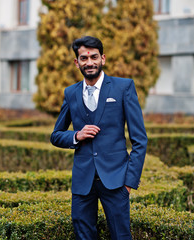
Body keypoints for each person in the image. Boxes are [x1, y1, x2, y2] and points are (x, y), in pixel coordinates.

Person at [50, 36, 148, 240]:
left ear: (102, 58)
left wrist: (129, 181)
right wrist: (76, 135)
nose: (89, 62)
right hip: (82, 181)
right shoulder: (71, 93)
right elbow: (56, 135)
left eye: (94, 57)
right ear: (77, 62)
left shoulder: (123, 87)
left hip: (116, 180)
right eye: (83, 58)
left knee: (121, 236)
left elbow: (140, 139)